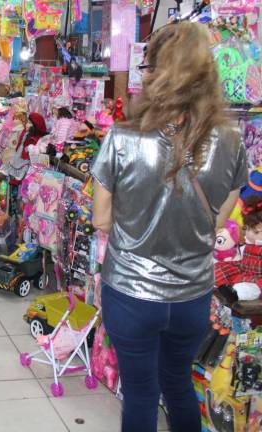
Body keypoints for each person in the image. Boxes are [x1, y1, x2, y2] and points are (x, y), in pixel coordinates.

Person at [90, 22, 248, 432]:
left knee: (140, 394)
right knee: (177, 384)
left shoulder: (122, 138)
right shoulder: (231, 140)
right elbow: (219, 216)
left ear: (156, 72)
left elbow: (101, 219)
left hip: (130, 292)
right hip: (192, 296)